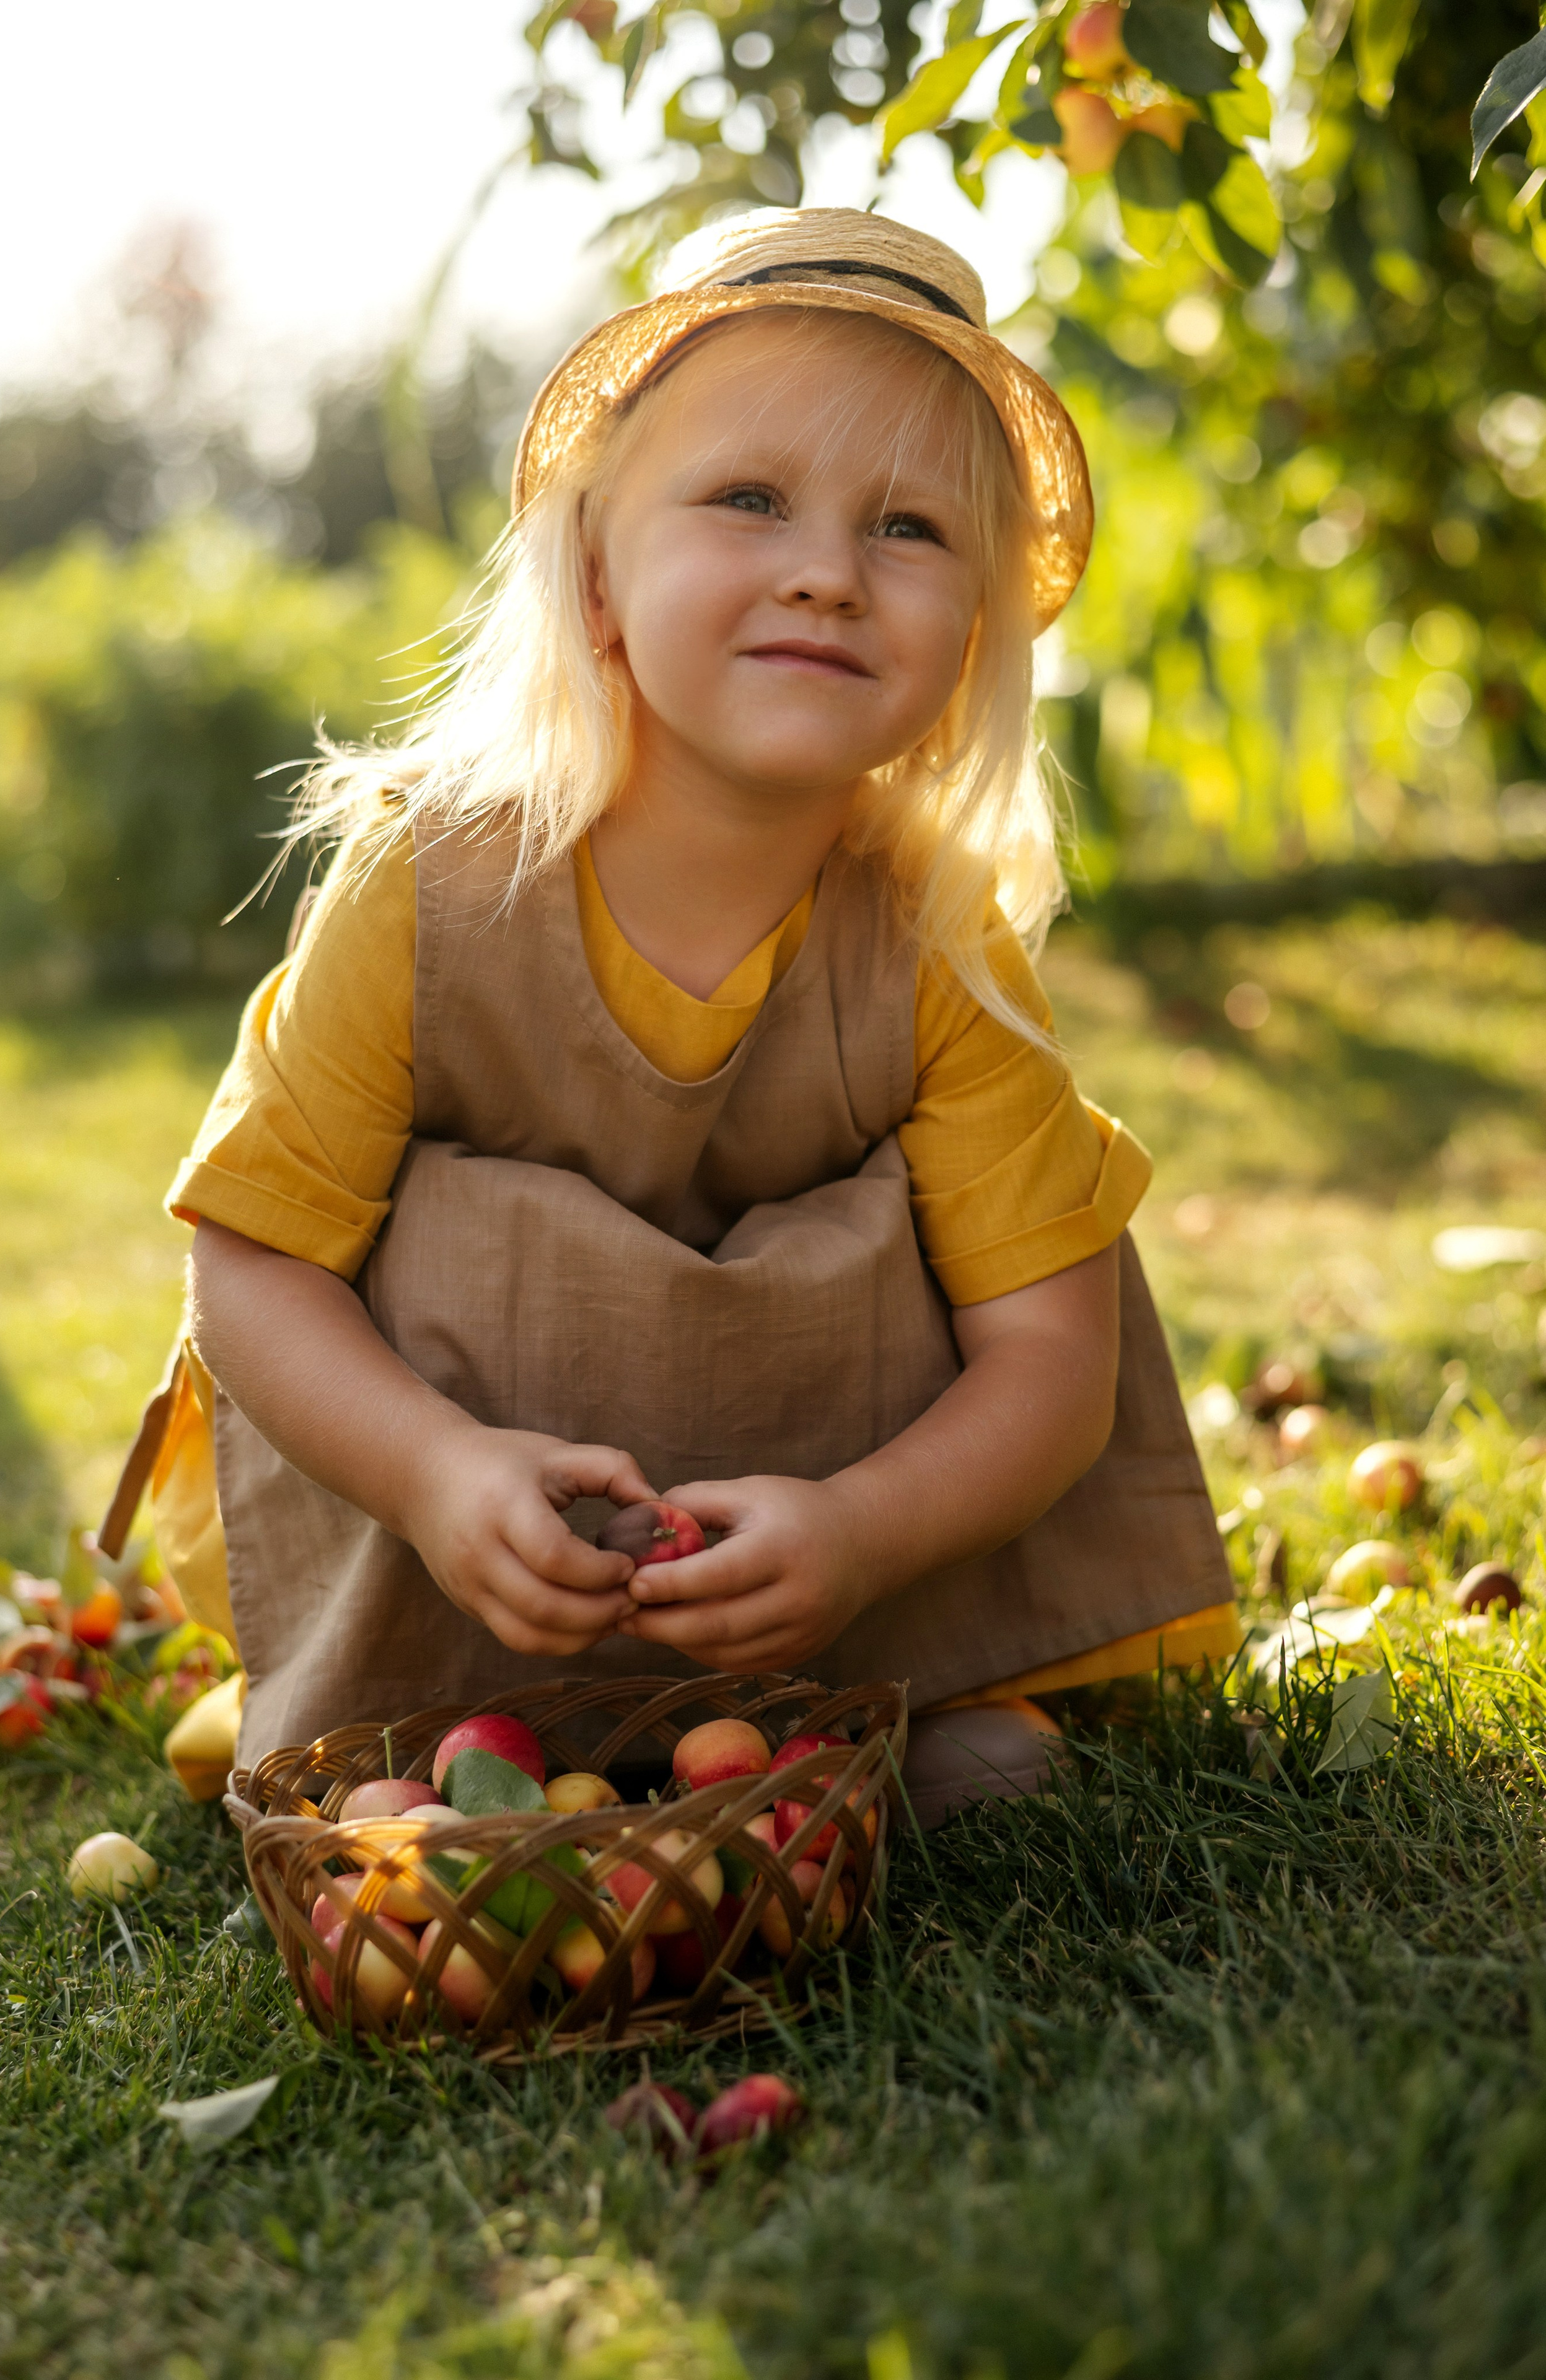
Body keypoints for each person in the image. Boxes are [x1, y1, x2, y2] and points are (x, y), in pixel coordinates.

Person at [105, 210, 1237, 1826]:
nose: (829, 572)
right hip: (473, 1508)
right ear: (598, 575)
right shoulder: (429, 886)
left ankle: (851, 1691)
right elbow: (253, 1259)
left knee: (958, 1249)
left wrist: (861, 1533)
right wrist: (438, 1475)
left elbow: (1054, 1362)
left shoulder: (932, 939)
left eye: (909, 529)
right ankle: (385, 1688)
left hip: (808, 1521)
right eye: (750, 499)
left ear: (976, 630)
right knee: (430, 1235)